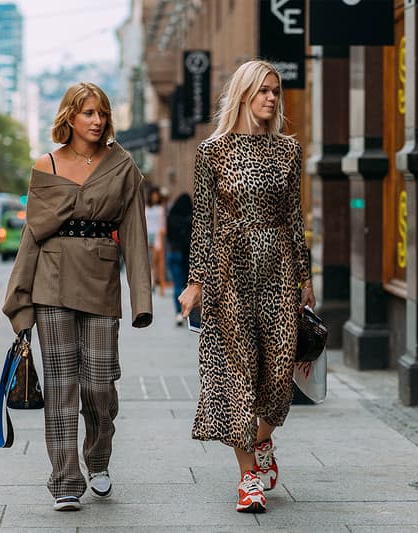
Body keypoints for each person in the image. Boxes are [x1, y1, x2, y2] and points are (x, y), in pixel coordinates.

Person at [2, 82, 152, 512]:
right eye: (88, 113)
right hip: (51, 280)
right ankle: (65, 480)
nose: (97, 120)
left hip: (102, 280)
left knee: (99, 384)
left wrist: (141, 298)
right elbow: (31, 237)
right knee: (62, 384)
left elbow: (136, 235)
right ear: (69, 116)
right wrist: (21, 300)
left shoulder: (123, 165)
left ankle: (98, 458)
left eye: (102, 113)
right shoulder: (45, 165)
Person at [178, 59, 315, 514]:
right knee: (238, 378)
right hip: (229, 272)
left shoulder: (289, 151)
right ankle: (247, 480)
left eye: (276, 90)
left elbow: (296, 219)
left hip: (277, 268)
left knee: (278, 378)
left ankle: (262, 443)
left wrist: (305, 279)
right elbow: (201, 224)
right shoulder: (212, 152)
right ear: (243, 94)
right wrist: (196, 282)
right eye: (263, 90)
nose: (272, 98)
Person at [165, 193, 192, 325]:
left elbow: (168, 236)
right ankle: (187, 312)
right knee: (186, 285)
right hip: (186, 255)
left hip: (174, 253)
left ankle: (178, 313)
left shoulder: (172, 217)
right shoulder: (190, 217)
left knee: (176, 284)